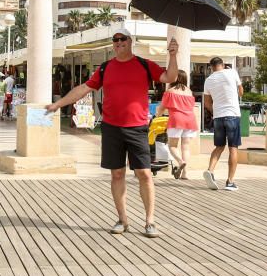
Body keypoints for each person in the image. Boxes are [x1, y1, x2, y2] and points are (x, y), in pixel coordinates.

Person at [46, 29, 179, 238]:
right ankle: (122, 219)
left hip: (137, 128)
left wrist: (173, 55)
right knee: (117, 174)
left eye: (122, 39)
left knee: (144, 173)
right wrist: (58, 104)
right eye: (115, 40)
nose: (118, 43)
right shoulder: (105, 68)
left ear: (130, 41)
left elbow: (170, 76)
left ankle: (149, 221)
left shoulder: (144, 65)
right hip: (111, 128)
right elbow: (84, 88)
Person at [202, 57, 242, 191]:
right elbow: (241, 91)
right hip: (232, 115)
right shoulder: (232, 73)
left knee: (219, 146)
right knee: (233, 148)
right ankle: (230, 182)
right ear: (223, 65)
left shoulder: (208, 80)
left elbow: (207, 103)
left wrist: (215, 112)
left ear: (211, 67)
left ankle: (210, 170)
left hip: (218, 116)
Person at [156, 71, 196, 180]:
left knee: (172, 146)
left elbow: (162, 107)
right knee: (185, 147)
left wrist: (157, 115)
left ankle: (180, 161)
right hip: (190, 120)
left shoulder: (170, 91)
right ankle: (185, 174)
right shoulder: (189, 92)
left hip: (176, 120)